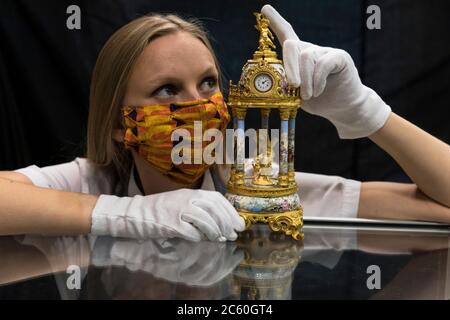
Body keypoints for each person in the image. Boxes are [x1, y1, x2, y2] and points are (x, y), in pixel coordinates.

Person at [0, 5, 449, 242]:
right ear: (120, 124)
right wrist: (128, 214)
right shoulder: (90, 182)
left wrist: (366, 113)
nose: (198, 106)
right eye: (167, 90)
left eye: (209, 83)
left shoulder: (258, 190)